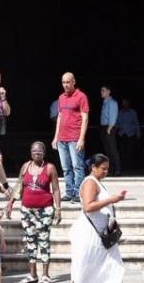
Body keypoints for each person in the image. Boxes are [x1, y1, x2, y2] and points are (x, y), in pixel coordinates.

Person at [6, 141, 61, 283]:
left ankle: (45, 275)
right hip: (27, 210)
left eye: (39, 151)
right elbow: (19, 185)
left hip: (45, 210)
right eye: (34, 151)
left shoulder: (50, 168)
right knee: (30, 241)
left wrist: (58, 209)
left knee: (43, 241)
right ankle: (33, 274)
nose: (37, 153)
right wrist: (11, 203)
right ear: (31, 153)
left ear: (44, 153)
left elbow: (55, 189)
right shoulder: (25, 166)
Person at [70, 154, 125, 283]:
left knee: (110, 268)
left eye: (107, 169)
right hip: (91, 233)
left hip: (102, 232)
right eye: (103, 169)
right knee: (88, 270)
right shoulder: (90, 182)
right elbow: (88, 207)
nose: (106, 172)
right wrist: (111, 199)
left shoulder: (97, 182)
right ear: (93, 167)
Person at [51, 72, 89, 203]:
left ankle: (79, 193)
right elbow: (60, 117)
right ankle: (69, 191)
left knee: (77, 166)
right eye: (63, 82)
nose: (65, 85)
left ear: (74, 82)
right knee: (66, 167)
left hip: (74, 138)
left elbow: (85, 118)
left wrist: (81, 138)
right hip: (62, 138)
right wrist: (56, 137)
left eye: (68, 82)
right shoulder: (61, 97)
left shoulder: (81, 96)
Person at [99, 85, 121, 176]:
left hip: (109, 128)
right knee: (107, 150)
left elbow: (113, 116)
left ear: (108, 91)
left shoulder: (112, 103)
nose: (101, 92)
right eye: (101, 91)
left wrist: (109, 128)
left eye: (103, 90)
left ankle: (117, 170)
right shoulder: (105, 102)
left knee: (112, 149)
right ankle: (110, 169)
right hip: (104, 127)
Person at [116, 99, 142, 173]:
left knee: (130, 151)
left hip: (131, 134)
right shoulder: (120, 113)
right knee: (122, 151)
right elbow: (117, 123)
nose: (125, 104)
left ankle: (130, 167)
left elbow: (136, 123)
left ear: (128, 103)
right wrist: (114, 131)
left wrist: (138, 133)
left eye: (126, 103)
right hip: (122, 134)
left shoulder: (133, 112)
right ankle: (123, 166)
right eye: (123, 103)